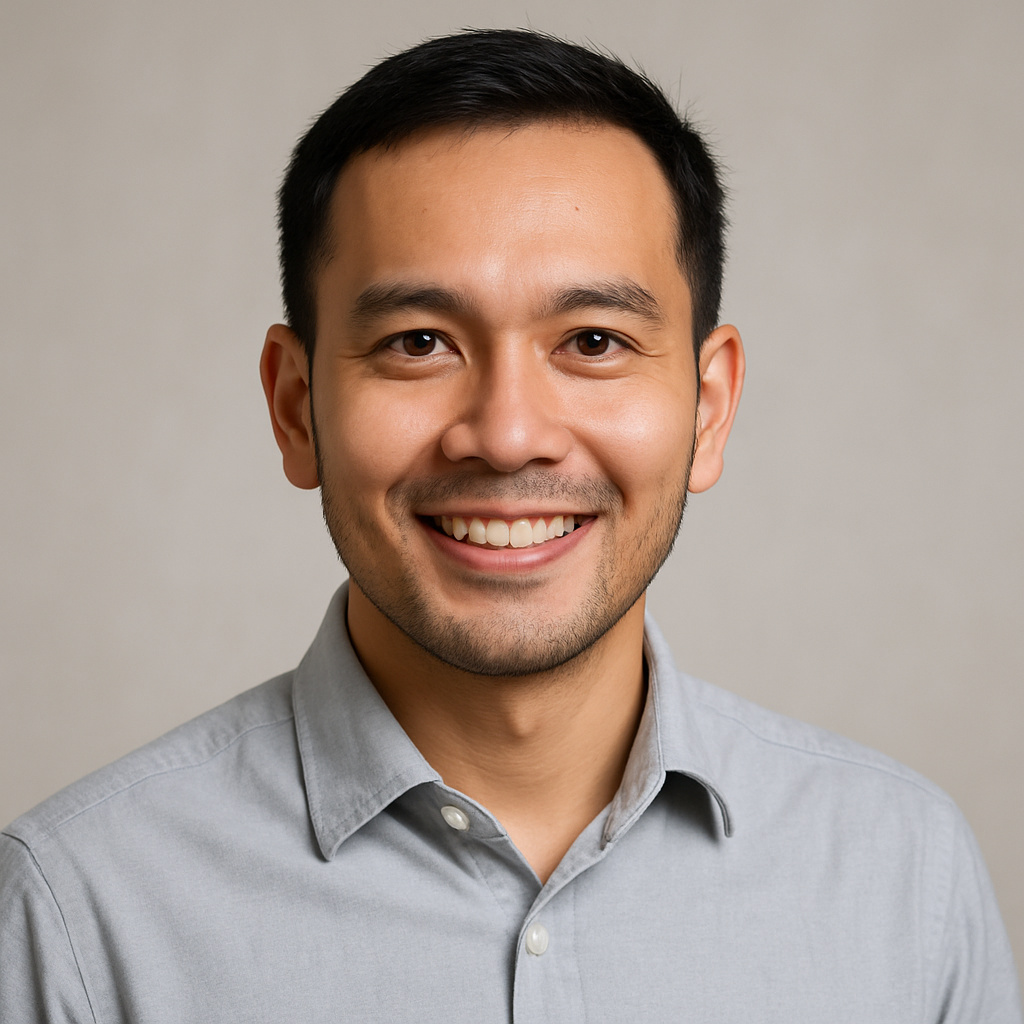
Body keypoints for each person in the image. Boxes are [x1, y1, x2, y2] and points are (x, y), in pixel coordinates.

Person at [1, 28, 1019, 1022]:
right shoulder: (78, 913)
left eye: (591, 339)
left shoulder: (904, 880)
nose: (507, 434)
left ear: (708, 408)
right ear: (292, 405)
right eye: (418, 341)